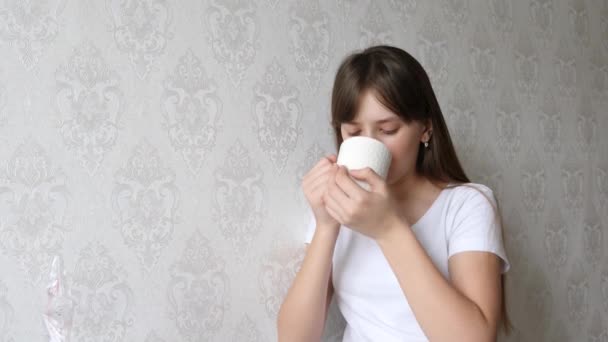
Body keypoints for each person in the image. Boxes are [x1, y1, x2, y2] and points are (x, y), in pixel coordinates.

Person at [277, 45, 510, 342]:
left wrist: (388, 228)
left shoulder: (467, 205)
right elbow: (294, 338)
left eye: (387, 130)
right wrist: (326, 225)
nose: (371, 144)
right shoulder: (342, 208)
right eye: (354, 132)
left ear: (425, 128)